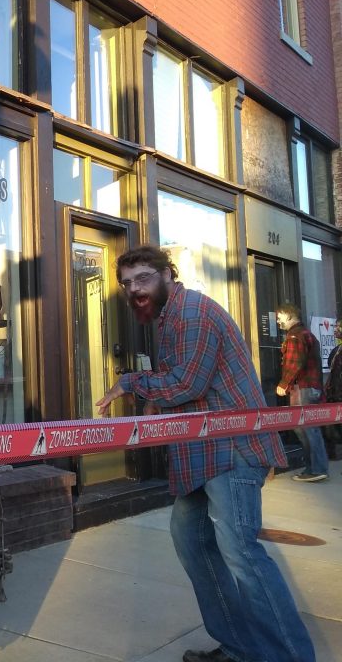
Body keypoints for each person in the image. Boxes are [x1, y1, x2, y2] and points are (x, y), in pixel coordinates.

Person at [96, 245, 314, 662]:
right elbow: (186, 386)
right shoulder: (171, 316)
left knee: (243, 556)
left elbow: (187, 384)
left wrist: (131, 383)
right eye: (126, 283)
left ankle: (289, 656)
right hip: (201, 455)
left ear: (166, 273)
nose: (134, 289)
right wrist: (156, 398)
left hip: (231, 452)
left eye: (143, 277)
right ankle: (239, 647)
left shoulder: (192, 312)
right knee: (193, 542)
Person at [275, 303, 330, 482]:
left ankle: (315, 469)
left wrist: (284, 384)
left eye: (280, 316)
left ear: (290, 316)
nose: (277, 320)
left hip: (303, 388)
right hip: (311, 387)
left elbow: (294, 363)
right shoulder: (306, 334)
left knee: (305, 427)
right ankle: (317, 467)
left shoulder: (294, 336)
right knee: (309, 427)